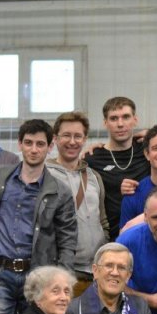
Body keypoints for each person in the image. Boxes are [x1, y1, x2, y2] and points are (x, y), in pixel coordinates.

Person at [0, 119, 77, 314]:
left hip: (38, 277)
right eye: (28, 143)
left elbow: (68, 239)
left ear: (50, 146)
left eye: (40, 144)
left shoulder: (60, 192)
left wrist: (61, 280)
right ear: (20, 144)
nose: (34, 149)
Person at [46, 111, 110, 297]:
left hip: (95, 273)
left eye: (78, 136)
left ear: (85, 139)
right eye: (66, 135)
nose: (72, 141)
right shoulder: (44, 175)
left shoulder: (94, 176)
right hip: (61, 272)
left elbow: (102, 220)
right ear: (55, 138)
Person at [84, 97, 152, 237]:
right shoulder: (92, 158)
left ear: (135, 119)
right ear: (105, 123)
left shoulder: (148, 150)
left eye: (126, 117)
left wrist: (154, 133)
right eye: (114, 118)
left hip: (148, 233)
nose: (120, 124)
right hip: (109, 238)